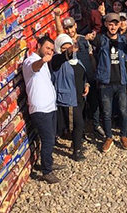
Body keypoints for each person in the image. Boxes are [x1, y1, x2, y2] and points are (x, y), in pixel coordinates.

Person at [87, 13, 127, 152]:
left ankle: (123, 136)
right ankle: (109, 137)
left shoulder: (123, 40)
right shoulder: (101, 39)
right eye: (110, 23)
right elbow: (92, 39)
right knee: (106, 112)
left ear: (120, 25)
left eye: (116, 23)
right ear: (106, 24)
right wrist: (90, 38)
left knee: (123, 111)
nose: (113, 26)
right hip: (105, 82)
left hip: (121, 81)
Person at [23, 36, 64, 184]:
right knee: (47, 140)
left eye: (52, 50)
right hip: (41, 110)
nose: (49, 52)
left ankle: (49, 162)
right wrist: (42, 61)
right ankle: (47, 171)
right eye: (47, 48)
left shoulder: (45, 62)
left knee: (51, 138)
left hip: (50, 107)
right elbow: (34, 67)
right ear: (38, 46)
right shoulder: (30, 61)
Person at [51, 34, 89, 162]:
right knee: (77, 124)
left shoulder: (76, 59)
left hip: (79, 97)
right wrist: (67, 52)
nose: (70, 50)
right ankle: (76, 151)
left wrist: (86, 84)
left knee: (79, 123)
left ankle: (76, 143)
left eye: (70, 47)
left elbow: (82, 74)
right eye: (64, 48)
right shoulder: (57, 61)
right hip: (68, 98)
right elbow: (61, 58)